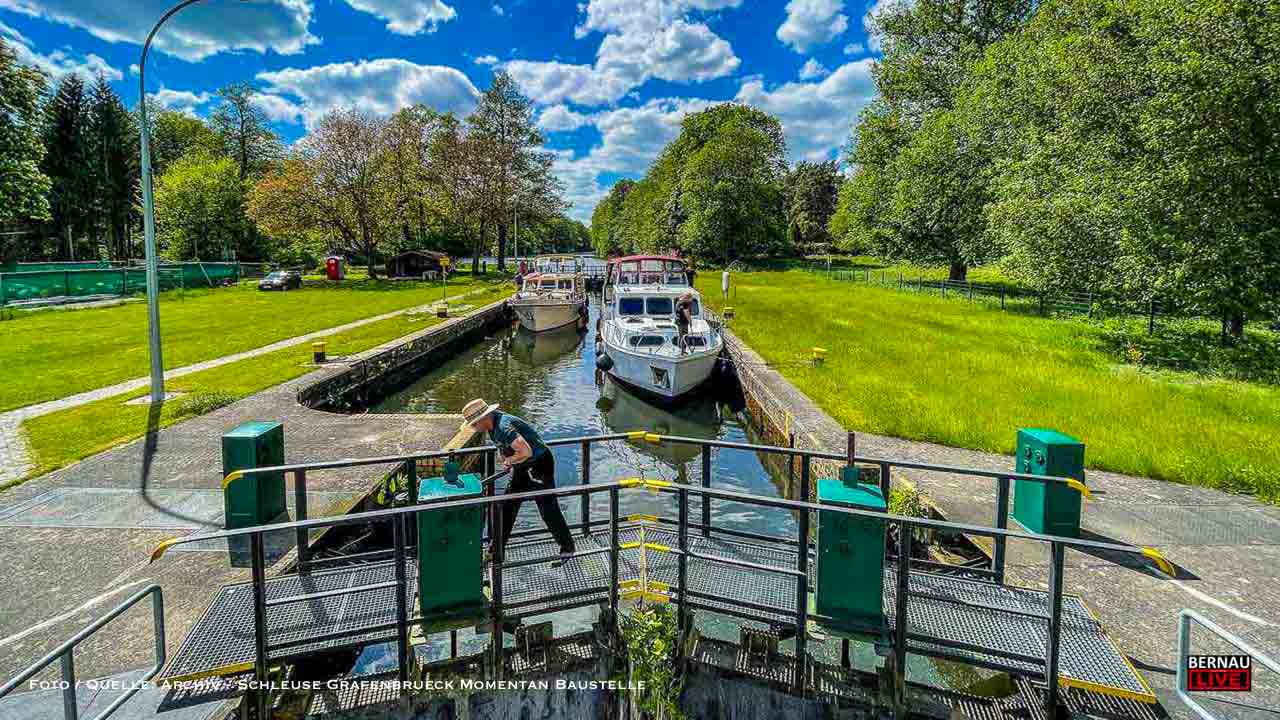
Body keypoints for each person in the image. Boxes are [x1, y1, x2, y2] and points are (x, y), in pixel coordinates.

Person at [461, 398, 576, 563]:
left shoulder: (504, 427)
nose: (473, 428)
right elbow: (504, 446)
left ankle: (567, 548)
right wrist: (507, 458)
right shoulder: (492, 424)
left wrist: (510, 460)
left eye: (474, 424)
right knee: (507, 508)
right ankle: (496, 552)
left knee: (548, 509)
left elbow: (526, 451)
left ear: (483, 418)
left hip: (539, 464)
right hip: (523, 466)